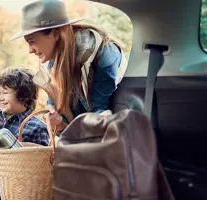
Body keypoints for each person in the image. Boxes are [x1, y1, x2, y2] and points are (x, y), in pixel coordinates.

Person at [10, 0, 125, 133]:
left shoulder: (103, 53)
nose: (30, 50)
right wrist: (57, 122)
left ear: (56, 34)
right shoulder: (52, 66)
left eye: (32, 42)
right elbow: (60, 116)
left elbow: (98, 112)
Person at [0, 68, 50, 200]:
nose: (0, 98)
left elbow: (39, 168)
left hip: (18, 193)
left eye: (5, 93)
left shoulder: (36, 127)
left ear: (23, 95)